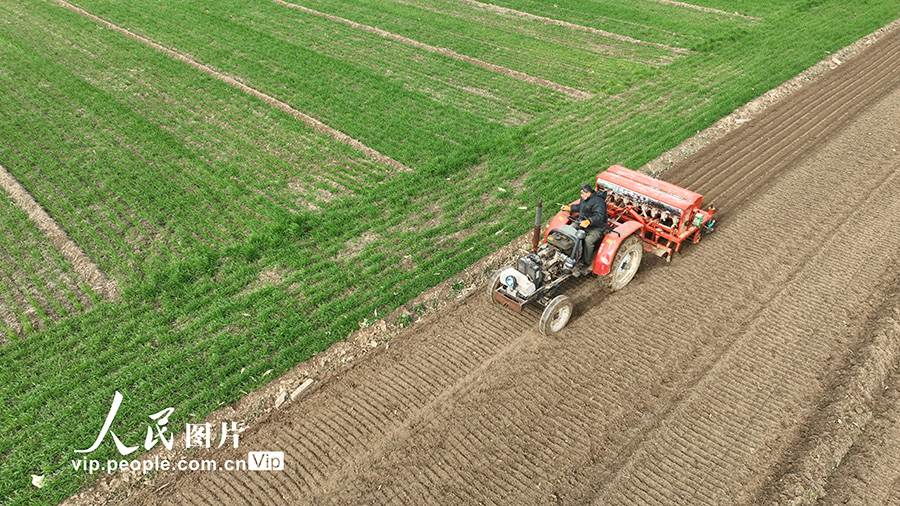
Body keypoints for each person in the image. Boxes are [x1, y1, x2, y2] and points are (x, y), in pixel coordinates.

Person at [561, 183, 607, 268]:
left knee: (588, 241)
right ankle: (565, 251)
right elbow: (580, 207)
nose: (581, 195)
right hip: (582, 222)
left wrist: (589, 221)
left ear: (588, 192)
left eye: (582, 193)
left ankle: (587, 262)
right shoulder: (584, 199)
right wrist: (570, 208)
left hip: (595, 227)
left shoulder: (599, 202)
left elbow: (599, 216)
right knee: (569, 230)